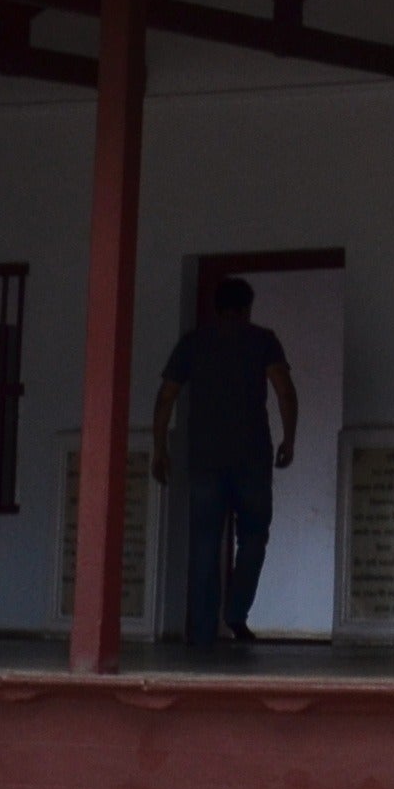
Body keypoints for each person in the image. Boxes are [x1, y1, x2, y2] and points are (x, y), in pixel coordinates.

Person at [153, 276, 298, 652]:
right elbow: (283, 388)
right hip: (251, 457)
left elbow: (166, 396)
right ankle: (235, 612)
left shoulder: (193, 343)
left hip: (204, 459)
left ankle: (202, 631)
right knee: (253, 537)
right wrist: (289, 438)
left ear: (216, 308)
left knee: (203, 544)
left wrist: (159, 448)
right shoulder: (262, 340)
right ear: (248, 307)